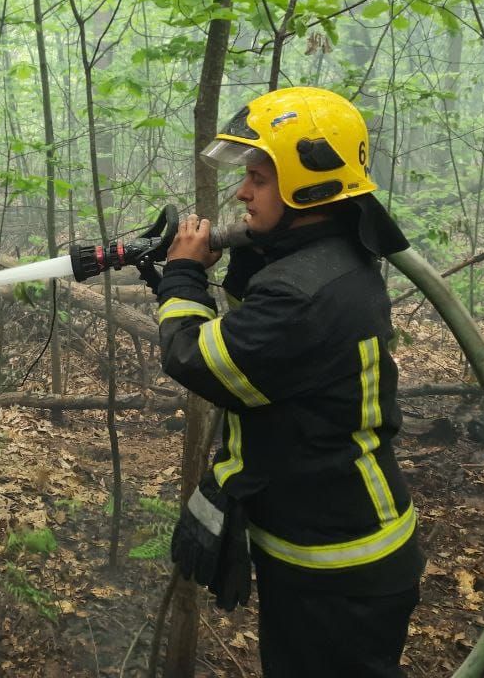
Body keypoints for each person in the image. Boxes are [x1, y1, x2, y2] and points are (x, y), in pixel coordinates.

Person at [155, 86, 423, 678]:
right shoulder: (327, 257)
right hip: (327, 552)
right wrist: (208, 265)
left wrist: (180, 274)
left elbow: (195, 356)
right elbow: (257, 323)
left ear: (308, 183)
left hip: (339, 571)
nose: (241, 192)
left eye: (257, 178)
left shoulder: (304, 292)